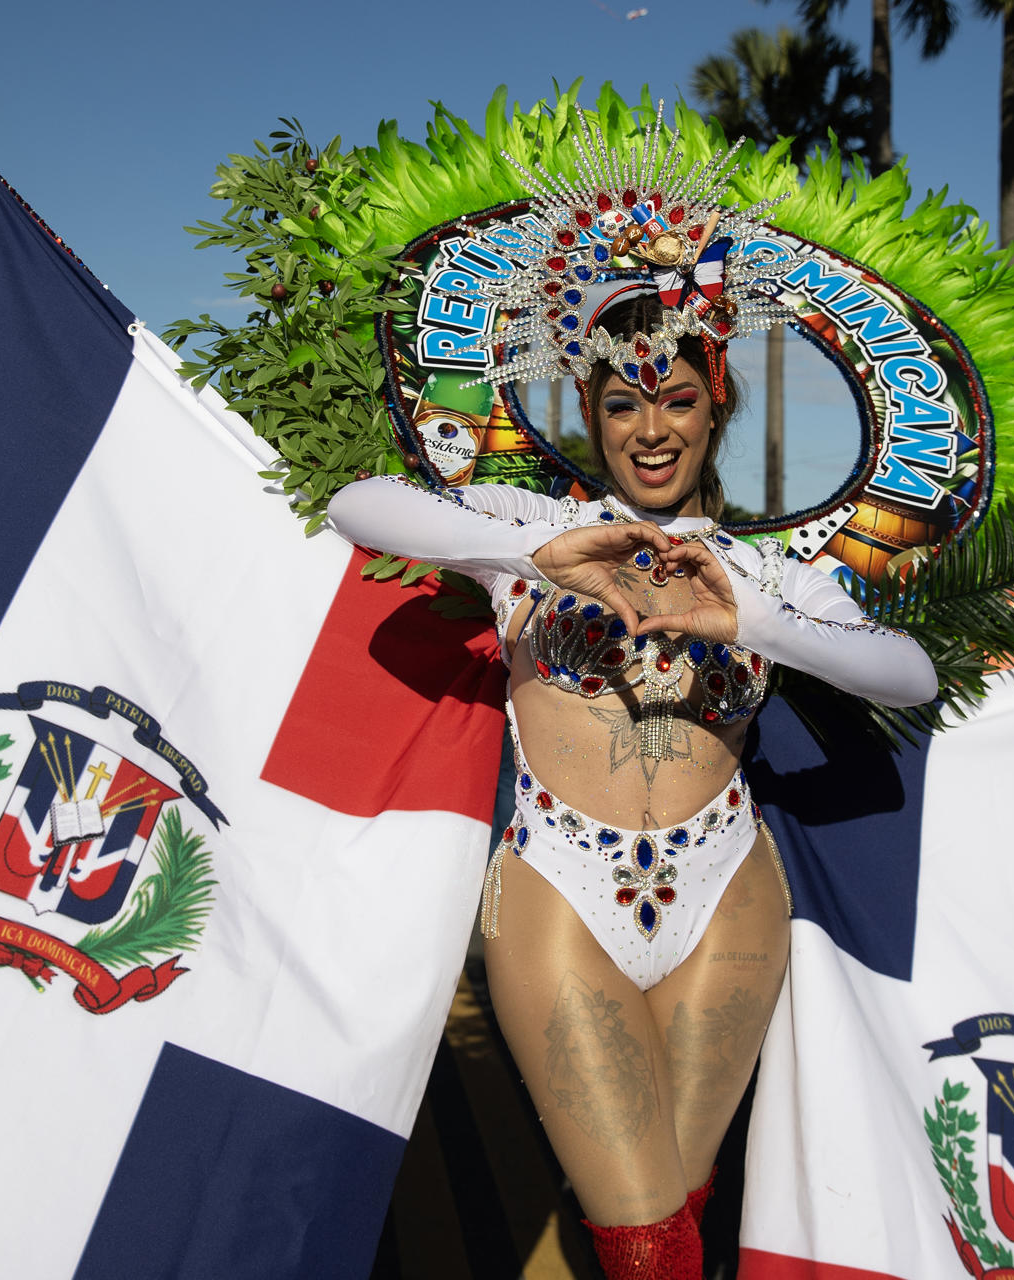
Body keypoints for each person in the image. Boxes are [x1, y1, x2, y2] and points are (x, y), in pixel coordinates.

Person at [330, 291, 936, 1275]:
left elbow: (910, 671)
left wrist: (752, 624)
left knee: (669, 1224)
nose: (652, 429)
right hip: (560, 892)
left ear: (715, 406)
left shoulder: (768, 571)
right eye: (623, 404)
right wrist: (535, 554)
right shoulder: (526, 523)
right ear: (589, 407)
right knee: (646, 1237)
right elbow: (355, 505)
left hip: (728, 905)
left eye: (680, 400)